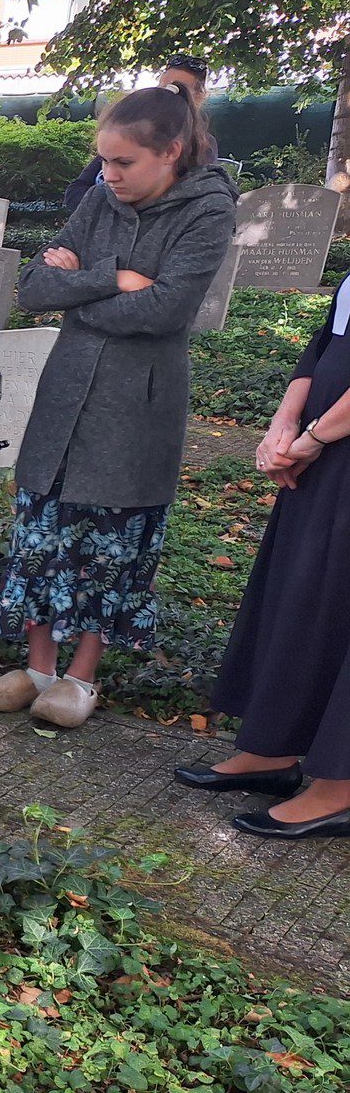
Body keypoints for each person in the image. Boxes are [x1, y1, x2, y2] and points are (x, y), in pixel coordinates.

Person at [0, 87, 237, 727]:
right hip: (67, 391)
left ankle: (81, 679)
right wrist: (113, 277)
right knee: (41, 524)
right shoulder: (100, 197)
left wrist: (80, 287)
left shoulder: (206, 212)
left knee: (110, 537)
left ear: (170, 153)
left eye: (123, 163)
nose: (109, 175)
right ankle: (38, 667)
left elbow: (168, 310)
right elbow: (37, 288)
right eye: (103, 162)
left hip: (136, 399)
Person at [177, 268, 350, 837]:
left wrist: (313, 438)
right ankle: (275, 752)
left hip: (332, 448)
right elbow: (322, 348)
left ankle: (338, 787)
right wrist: (283, 423)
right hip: (324, 456)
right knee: (303, 598)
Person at [63, 56, 217, 213]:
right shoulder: (128, 134)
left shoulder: (202, 146)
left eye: (125, 163)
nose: (110, 176)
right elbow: (75, 193)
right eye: (162, 87)